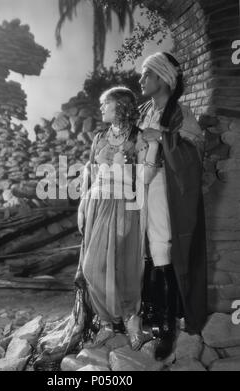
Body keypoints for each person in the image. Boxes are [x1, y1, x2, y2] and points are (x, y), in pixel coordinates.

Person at [74, 86, 160, 351]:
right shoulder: (99, 136)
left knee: (125, 266)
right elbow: (89, 172)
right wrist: (82, 205)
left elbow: (145, 178)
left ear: (120, 107)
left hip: (125, 205)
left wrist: (154, 145)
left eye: (105, 104)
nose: (101, 108)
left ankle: (133, 323)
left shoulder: (138, 137)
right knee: (92, 268)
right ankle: (106, 322)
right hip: (96, 204)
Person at [137, 52, 207, 361]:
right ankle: (149, 315)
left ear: (162, 79)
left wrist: (162, 136)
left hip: (166, 191)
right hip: (139, 188)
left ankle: (166, 329)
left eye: (146, 75)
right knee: (144, 251)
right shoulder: (142, 111)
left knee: (163, 249)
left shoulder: (180, 113)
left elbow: (193, 151)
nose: (141, 80)